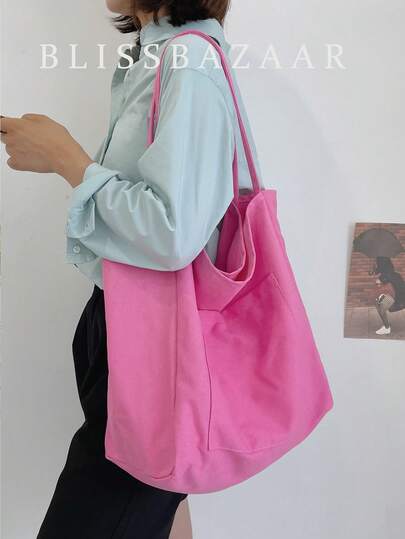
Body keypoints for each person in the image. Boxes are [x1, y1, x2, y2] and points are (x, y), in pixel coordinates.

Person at [1, 0, 261, 537]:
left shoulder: (189, 62)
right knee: (153, 505)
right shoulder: (155, 56)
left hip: (158, 342)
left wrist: (65, 157)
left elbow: (172, 233)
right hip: (126, 321)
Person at [372, 256, 405, 335]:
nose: (376, 265)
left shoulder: (385, 276)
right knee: (378, 303)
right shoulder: (394, 274)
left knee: (380, 306)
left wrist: (379, 281)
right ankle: (386, 326)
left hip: (397, 299)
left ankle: (387, 328)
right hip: (399, 297)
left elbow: (381, 286)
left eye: (377, 263)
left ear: (381, 265)